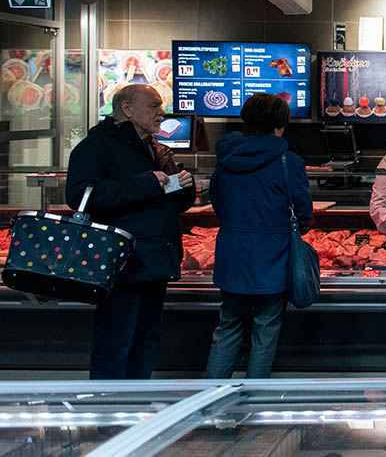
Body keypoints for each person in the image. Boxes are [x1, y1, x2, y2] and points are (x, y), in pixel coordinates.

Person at [65, 83, 197, 379]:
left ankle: (138, 402)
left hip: (155, 261)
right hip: (120, 264)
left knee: (146, 340)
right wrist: (146, 183)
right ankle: (108, 405)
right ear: (127, 109)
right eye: (153, 106)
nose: (161, 113)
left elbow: (166, 201)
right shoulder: (96, 146)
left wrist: (183, 188)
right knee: (115, 341)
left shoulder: (157, 148)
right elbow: (80, 196)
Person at [204, 92, 312, 378]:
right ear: (281, 124)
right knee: (266, 329)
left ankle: (212, 397)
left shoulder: (226, 158)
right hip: (272, 256)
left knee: (228, 327)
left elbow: (217, 202)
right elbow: (303, 212)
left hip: (232, 253)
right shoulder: (288, 161)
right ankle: (254, 397)